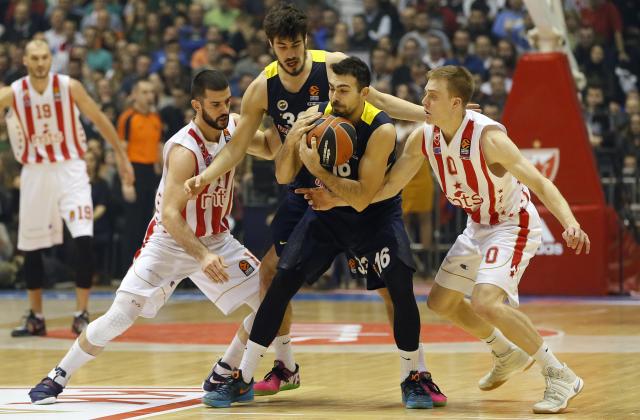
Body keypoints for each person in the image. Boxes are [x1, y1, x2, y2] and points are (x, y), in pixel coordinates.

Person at [184, 2, 446, 402]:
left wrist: (431, 117)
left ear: (306, 41)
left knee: (393, 287)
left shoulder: (340, 74)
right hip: (309, 191)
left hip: (359, 195)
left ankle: (415, 372)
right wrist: (206, 175)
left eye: (296, 44)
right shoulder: (267, 90)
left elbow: (380, 101)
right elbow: (246, 152)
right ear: (271, 45)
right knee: (274, 276)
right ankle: (273, 366)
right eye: (281, 46)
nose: (290, 53)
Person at [300, 65, 588, 415]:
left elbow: (540, 182)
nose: (423, 101)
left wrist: (570, 222)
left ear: (456, 103)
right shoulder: (423, 137)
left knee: (486, 302)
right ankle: (504, 352)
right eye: (424, 93)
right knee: (441, 301)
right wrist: (337, 199)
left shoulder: (489, 139)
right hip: (477, 225)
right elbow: (388, 187)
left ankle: (559, 374)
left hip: (512, 223)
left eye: (432, 96)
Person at [27, 69, 281, 405]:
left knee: (272, 302)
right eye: (215, 104)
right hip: (170, 242)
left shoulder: (233, 126)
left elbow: (270, 147)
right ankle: (57, 375)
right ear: (196, 105)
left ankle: (225, 369)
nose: (224, 109)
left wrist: (287, 114)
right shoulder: (183, 149)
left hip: (217, 239)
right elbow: (170, 215)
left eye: (227, 102)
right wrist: (202, 256)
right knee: (119, 316)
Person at [0, 39, 134, 337]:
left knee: (83, 237)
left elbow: (99, 119)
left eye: (44, 57)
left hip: (70, 168)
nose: (40, 63)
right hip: (35, 171)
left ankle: (81, 314)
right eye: (34, 58)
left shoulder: (69, 87)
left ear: (51, 59)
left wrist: (121, 156)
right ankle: (36, 317)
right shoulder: (13, 93)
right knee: (31, 247)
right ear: (25, 60)